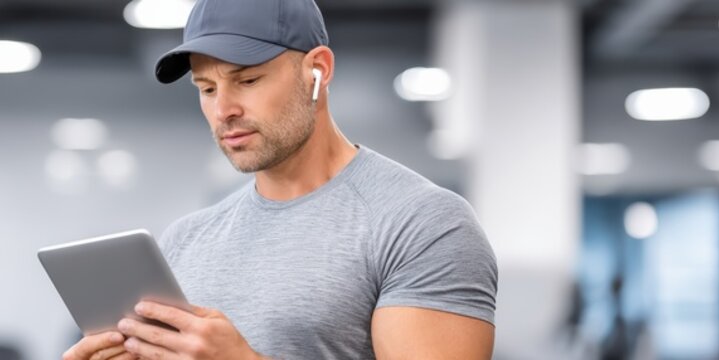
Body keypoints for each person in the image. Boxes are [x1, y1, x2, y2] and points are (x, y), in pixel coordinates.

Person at [64, 0, 497, 358]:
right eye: (207, 88)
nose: (223, 110)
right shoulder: (185, 240)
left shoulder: (422, 223)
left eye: (247, 80)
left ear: (318, 71)